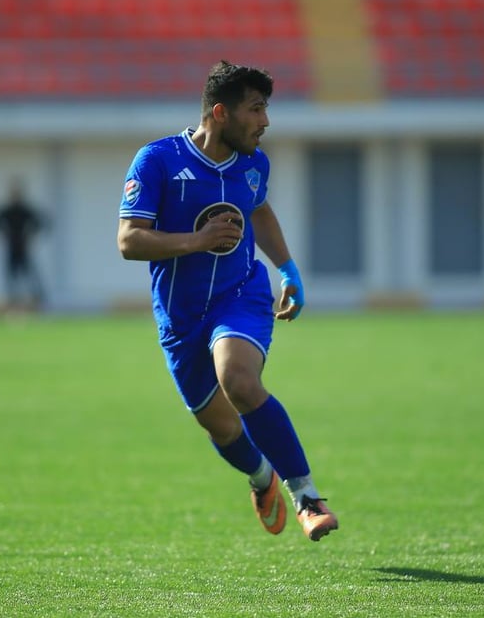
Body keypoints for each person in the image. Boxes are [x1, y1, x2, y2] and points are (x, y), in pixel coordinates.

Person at [116, 61, 338, 542]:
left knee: (238, 379)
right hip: (179, 316)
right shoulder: (157, 161)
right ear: (220, 113)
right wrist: (195, 241)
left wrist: (289, 269)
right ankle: (262, 480)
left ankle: (306, 495)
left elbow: (258, 209)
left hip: (241, 295)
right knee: (220, 427)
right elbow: (130, 241)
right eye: (256, 109)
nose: (266, 121)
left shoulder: (255, 163)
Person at [0, 178, 46, 311]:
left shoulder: (25, 210)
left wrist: (31, 235)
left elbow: (40, 222)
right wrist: (2, 233)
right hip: (11, 249)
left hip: (23, 248)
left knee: (31, 277)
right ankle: (13, 304)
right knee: (11, 279)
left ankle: (39, 303)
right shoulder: (7, 210)